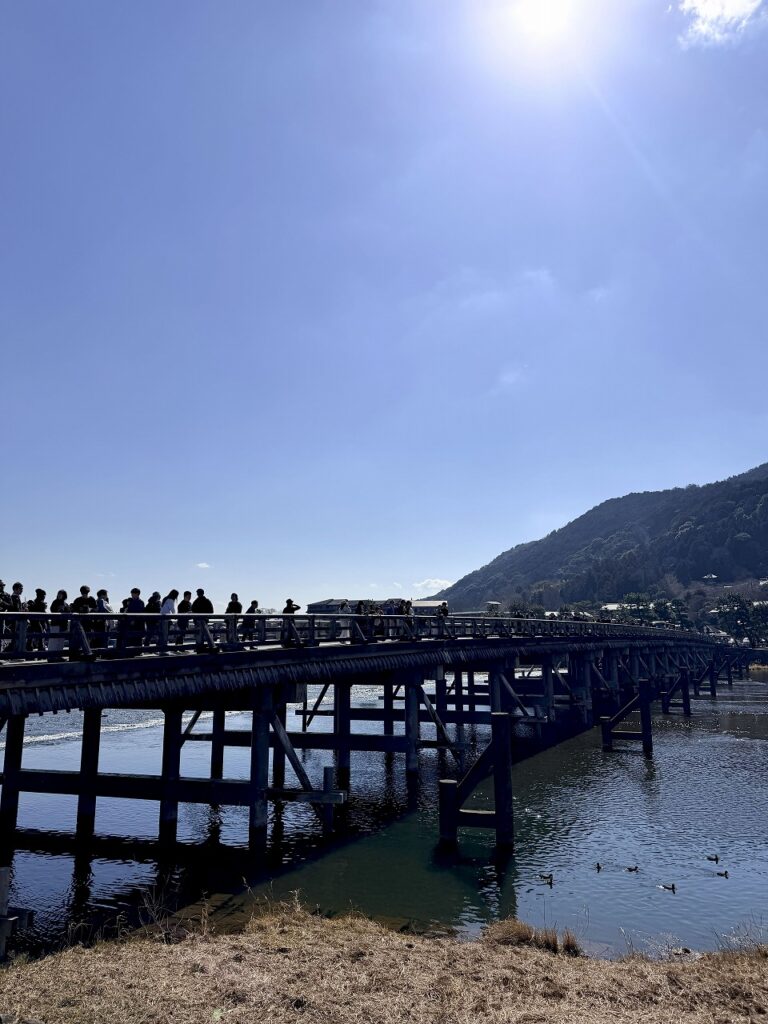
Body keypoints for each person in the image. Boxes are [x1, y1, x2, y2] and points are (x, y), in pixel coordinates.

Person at [122, 588, 146, 652]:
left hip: (138, 623)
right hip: (131, 622)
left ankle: (138, 651)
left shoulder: (140, 602)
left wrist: (133, 620)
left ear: (137, 594)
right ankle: (132, 651)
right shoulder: (131, 602)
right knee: (132, 637)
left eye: (133, 593)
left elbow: (139, 612)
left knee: (138, 637)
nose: (132, 595)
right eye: (131, 593)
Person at [48, 590, 69, 659]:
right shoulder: (55, 602)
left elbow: (68, 612)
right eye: (58, 594)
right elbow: (52, 610)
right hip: (55, 624)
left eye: (61, 594)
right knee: (54, 641)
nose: (59, 595)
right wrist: (58, 609)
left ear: (64, 595)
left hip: (63, 624)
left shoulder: (65, 604)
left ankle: (59, 656)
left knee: (61, 641)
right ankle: (51, 656)